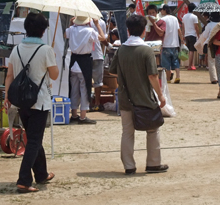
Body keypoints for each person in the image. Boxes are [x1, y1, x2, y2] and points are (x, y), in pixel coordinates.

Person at [4, 12, 59, 193]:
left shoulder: (16, 49)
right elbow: (54, 75)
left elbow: (10, 76)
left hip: (21, 101)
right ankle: (24, 179)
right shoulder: (45, 50)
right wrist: (53, 59)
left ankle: (41, 174)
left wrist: (6, 97)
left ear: (26, 29)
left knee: (34, 137)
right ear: (43, 31)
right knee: (34, 140)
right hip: (39, 101)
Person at [109, 14, 168, 175]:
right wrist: (161, 96)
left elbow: (112, 70)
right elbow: (152, 76)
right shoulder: (146, 50)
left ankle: (129, 166)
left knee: (127, 132)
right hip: (145, 97)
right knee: (153, 129)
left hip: (125, 98)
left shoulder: (121, 50)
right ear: (144, 31)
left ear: (128, 30)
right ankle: (153, 163)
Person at [65, 16, 105, 124]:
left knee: (74, 89)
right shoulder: (90, 30)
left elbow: (65, 35)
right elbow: (103, 37)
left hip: (74, 61)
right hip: (85, 60)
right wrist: (97, 24)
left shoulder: (72, 29)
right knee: (84, 89)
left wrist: (70, 24)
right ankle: (83, 116)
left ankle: (74, 114)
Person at [159, 5, 184, 83]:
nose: (161, 12)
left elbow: (160, 32)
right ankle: (178, 76)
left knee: (166, 63)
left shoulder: (162, 20)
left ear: (164, 10)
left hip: (166, 44)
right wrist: (182, 39)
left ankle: (168, 78)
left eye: (161, 10)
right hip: (175, 44)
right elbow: (179, 30)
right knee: (176, 61)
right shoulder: (175, 18)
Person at [89, 17, 108, 112]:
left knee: (87, 81)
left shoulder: (80, 21)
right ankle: (96, 103)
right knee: (97, 82)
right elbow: (103, 38)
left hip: (88, 54)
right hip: (96, 54)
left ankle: (89, 103)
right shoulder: (100, 22)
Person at [199, 12, 220, 84]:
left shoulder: (209, 25)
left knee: (211, 61)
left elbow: (205, 35)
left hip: (211, 44)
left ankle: (214, 79)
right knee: (219, 61)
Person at [182, 3, 201, 70]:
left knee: (188, 50)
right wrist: (198, 35)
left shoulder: (184, 16)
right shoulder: (194, 17)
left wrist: (183, 34)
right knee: (191, 51)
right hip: (192, 34)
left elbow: (183, 27)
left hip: (186, 34)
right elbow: (196, 27)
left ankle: (189, 64)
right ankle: (190, 65)